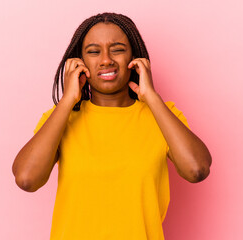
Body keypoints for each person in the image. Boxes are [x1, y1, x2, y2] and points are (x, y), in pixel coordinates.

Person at [12, 12, 212, 240]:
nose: (106, 59)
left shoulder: (162, 117)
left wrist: (152, 97)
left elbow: (197, 169)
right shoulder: (60, 119)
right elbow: (27, 178)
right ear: (80, 62)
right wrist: (68, 100)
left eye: (117, 49)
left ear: (135, 59)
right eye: (93, 52)